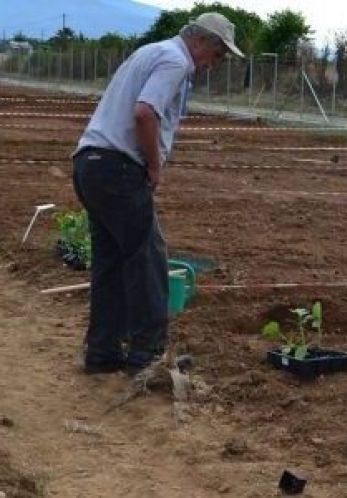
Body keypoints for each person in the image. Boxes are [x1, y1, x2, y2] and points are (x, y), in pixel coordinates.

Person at [72, 13, 244, 374]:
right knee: (148, 258)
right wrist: (154, 165)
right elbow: (145, 112)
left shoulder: (151, 51)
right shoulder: (175, 60)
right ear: (201, 42)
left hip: (91, 165)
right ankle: (148, 357)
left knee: (111, 263)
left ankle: (102, 353)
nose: (215, 64)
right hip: (119, 169)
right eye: (218, 55)